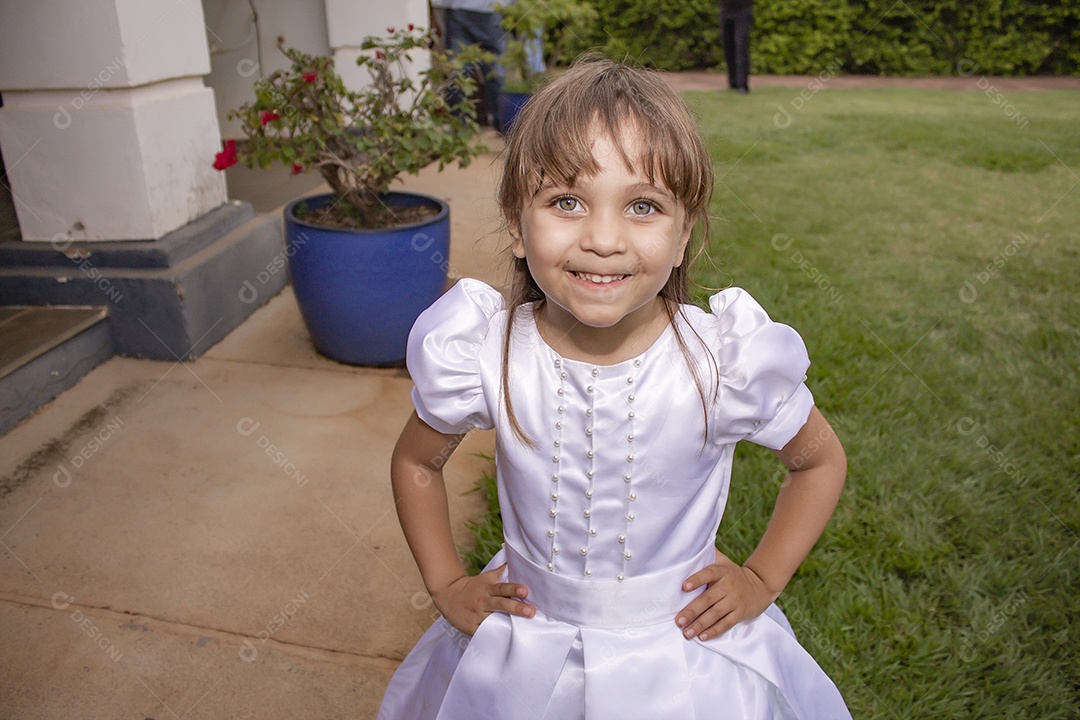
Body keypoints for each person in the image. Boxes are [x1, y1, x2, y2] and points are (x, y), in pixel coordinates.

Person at [378, 56, 851, 719]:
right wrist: (446, 584)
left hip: (682, 660)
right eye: (566, 202)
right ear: (517, 225)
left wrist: (761, 578)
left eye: (643, 206)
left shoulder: (723, 363)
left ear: (682, 236)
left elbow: (819, 461)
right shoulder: (487, 354)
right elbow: (416, 461)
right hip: (524, 650)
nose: (603, 239)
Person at [432, 0, 505, 128]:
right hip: (491, 9)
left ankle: (459, 125)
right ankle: (503, 124)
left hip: (458, 8)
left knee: (458, 72)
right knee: (495, 71)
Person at [720, 0, 754, 93]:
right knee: (728, 47)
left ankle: (743, 84)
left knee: (741, 46)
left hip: (742, 10)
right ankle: (733, 82)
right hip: (725, 10)